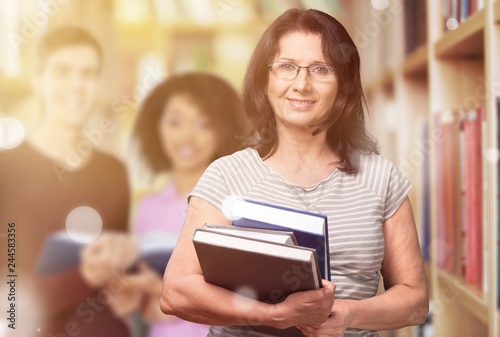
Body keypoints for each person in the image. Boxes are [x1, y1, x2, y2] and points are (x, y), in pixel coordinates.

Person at [160, 8, 429, 337]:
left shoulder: (381, 179)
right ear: (266, 78)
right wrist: (271, 315)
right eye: (287, 67)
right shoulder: (227, 175)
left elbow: (416, 300)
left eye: (320, 69)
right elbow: (175, 292)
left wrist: (346, 313)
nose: (301, 85)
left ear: (343, 85)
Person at [0, 26, 135, 337]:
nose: (76, 84)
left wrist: (130, 289)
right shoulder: (6, 168)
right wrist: (82, 277)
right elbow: (8, 302)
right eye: (63, 71)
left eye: (87, 74)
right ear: (38, 79)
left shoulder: (113, 172)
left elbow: (118, 276)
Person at [105, 73, 248, 337]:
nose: (187, 137)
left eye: (203, 124)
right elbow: (150, 311)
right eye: (175, 122)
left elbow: (243, 300)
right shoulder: (148, 207)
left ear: (223, 129)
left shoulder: (235, 206)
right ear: (156, 127)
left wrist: (164, 292)